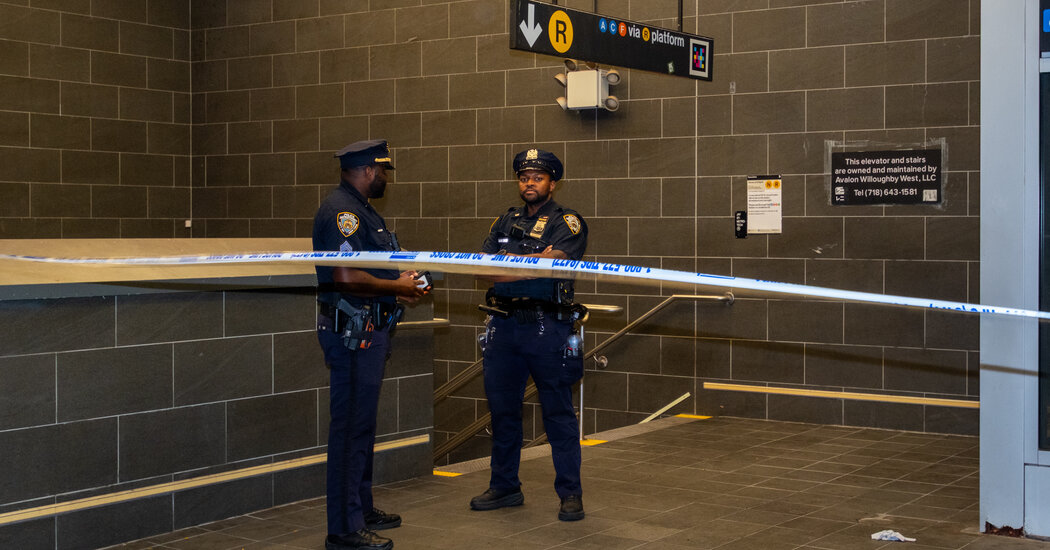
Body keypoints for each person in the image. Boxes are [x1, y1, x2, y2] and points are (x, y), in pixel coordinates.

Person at [313, 139, 428, 550]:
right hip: (352, 335)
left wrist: (398, 290)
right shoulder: (341, 213)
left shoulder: (364, 211)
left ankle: (360, 507)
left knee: (363, 425)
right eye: (382, 171)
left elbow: (370, 272)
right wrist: (393, 285)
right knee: (349, 429)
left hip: (369, 330)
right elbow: (345, 276)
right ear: (366, 170)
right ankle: (344, 529)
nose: (385, 178)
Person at [470, 148, 589, 521]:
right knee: (503, 411)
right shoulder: (503, 222)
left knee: (558, 413)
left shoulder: (567, 222)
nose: (529, 183)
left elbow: (556, 266)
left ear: (553, 183)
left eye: (537, 177)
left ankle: (570, 493)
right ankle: (505, 485)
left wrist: (507, 267)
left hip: (546, 327)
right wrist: (532, 266)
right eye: (524, 177)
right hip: (504, 327)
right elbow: (479, 270)